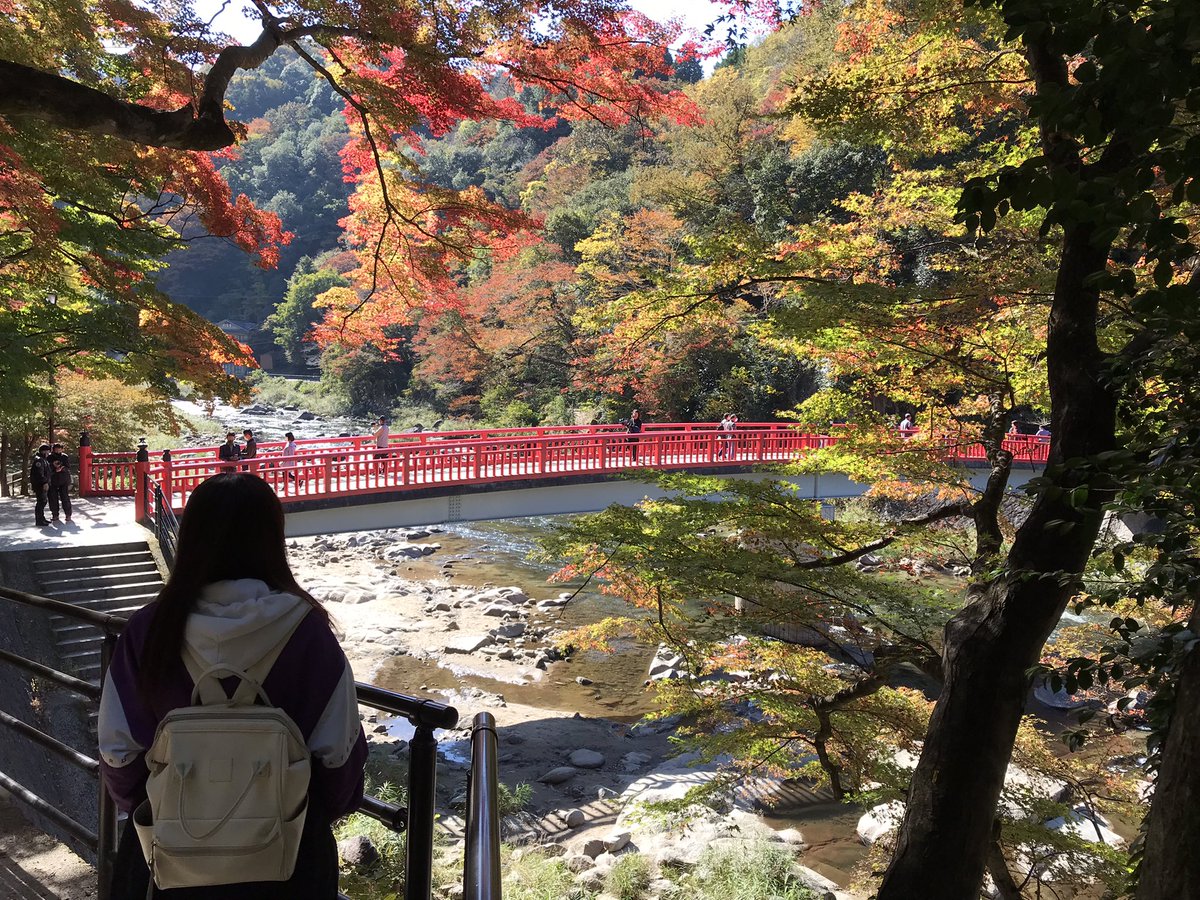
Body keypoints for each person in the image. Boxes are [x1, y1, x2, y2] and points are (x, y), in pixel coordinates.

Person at [98, 473, 367, 899]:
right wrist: (307, 815)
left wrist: (161, 807)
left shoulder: (149, 629)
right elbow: (339, 759)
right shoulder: (307, 630)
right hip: (287, 857)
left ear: (191, 538)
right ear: (271, 539)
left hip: (170, 854)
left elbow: (118, 752)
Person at [48, 442, 73, 523]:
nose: (58, 451)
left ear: (62, 449)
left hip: (63, 479)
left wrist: (62, 468)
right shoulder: (49, 457)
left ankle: (68, 514)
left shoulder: (65, 457)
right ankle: (55, 514)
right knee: (53, 498)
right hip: (53, 479)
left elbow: (68, 467)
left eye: (59, 449)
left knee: (65, 497)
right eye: (56, 449)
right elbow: (47, 468)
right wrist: (53, 467)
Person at [30, 444, 52, 527]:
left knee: (43, 501)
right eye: (47, 451)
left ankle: (42, 518)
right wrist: (44, 482)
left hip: (42, 483)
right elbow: (39, 474)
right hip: (40, 484)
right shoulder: (39, 461)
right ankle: (39, 520)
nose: (48, 453)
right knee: (41, 502)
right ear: (43, 451)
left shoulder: (43, 460)